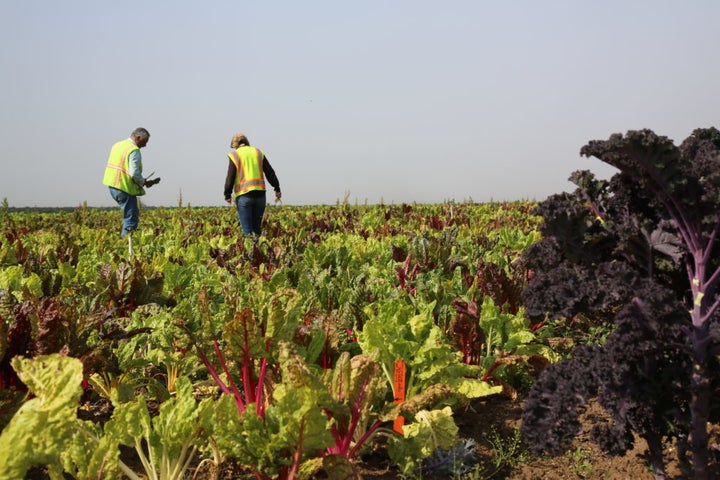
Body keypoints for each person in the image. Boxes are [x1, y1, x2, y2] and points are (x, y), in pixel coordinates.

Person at [102, 127, 161, 236]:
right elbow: (134, 173)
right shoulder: (134, 150)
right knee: (131, 219)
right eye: (144, 142)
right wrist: (143, 182)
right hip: (123, 187)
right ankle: (126, 245)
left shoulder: (117, 145)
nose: (145, 145)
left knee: (128, 216)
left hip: (112, 185)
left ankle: (124, 241)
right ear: (137, 138)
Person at [224, 133, 281, 235]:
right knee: (257, 229)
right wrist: (277, 188)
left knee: (247, 232)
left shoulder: (235, 155)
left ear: (235, 145)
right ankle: (258, 250)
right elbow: (270, 172)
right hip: (260, 196)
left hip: (244, 196)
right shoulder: (257, 152)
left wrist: (227, 194)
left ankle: (251, 250)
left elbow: (230, 176)